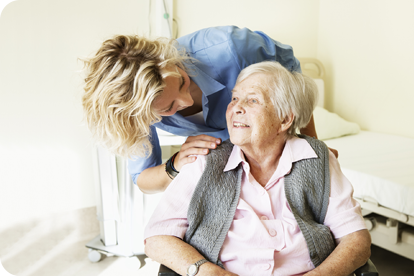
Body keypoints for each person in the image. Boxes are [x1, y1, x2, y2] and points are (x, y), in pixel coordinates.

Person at [144, 61, 371, 276]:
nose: (236, 108)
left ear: (284, 119)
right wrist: (206, 271)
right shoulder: (204, 162)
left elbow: (356, 240)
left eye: (252, 101)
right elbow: (156, 237)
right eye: (234, 98)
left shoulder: (318, 159)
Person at [81, 26, 327, 194]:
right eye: (169, 108)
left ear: (168, 61)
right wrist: (175, 164)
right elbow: (143, 180)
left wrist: (311, 145)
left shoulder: (231, 48)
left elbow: (293, 81)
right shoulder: (135, 112)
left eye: (182, 82)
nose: (186, 102)